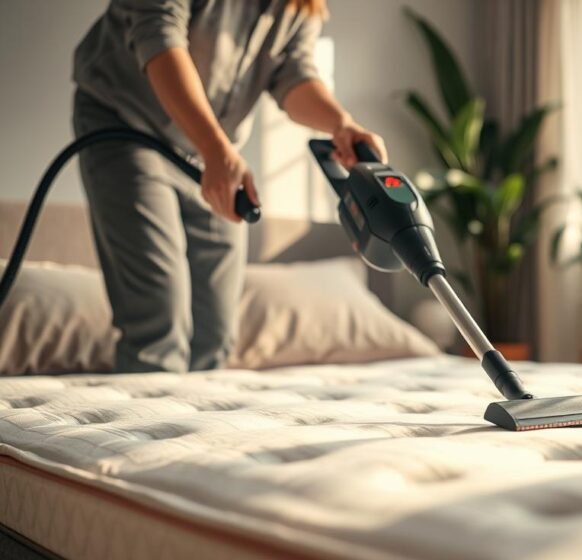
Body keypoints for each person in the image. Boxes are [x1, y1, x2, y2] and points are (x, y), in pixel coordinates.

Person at [72, 0, 387, 373]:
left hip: (211, 150)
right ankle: (146, 425)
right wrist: (215, 148)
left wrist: (340, 124)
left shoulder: (299, 5)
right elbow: (158, 38)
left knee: (215, 331)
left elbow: (294, 73)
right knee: (158, 321)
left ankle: (192, 424)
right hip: (127, 128)